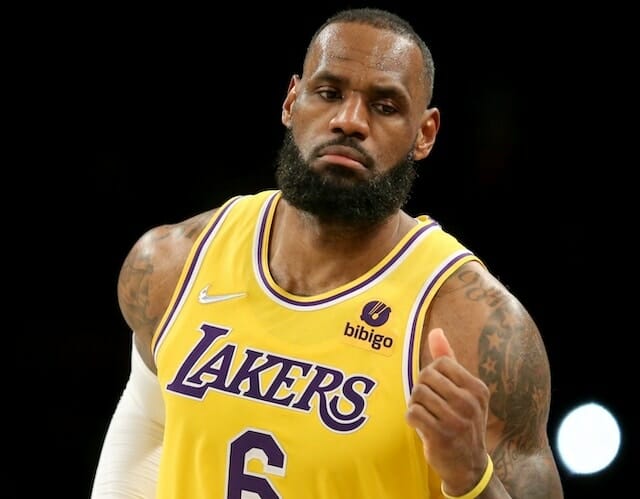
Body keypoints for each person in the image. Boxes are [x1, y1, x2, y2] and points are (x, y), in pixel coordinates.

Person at [91, 7, 564, 498]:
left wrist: (472, 478)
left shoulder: (475, 327)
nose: (349, 121)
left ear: (424, 134)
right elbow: (147, 427)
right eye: (329, 93)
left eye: (385, 106)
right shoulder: (174, 263)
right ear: (291, 101)